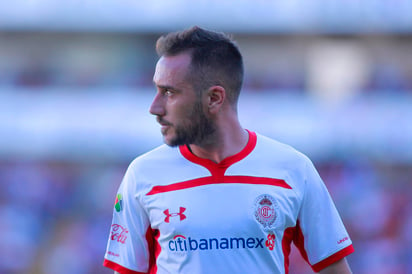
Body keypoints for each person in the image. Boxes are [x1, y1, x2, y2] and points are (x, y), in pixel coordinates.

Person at [103, 26, 354, 274]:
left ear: (214, 98)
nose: (155, 107)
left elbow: (334, 268)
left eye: (169, 92)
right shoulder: (142, 174)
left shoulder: (294, 169)